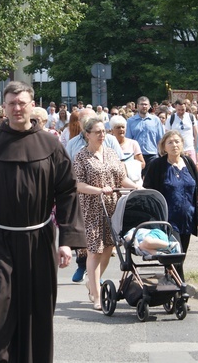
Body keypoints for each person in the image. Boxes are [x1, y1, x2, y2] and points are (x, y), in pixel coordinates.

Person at [0, 81, 86, 363]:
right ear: (4, 108)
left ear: (32, 106)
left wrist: (66, 241)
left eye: (22, 103)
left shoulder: (51, 145)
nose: (17, 108)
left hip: (38, 239)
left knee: (36, 308)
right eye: (11, 104)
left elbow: (66, 192)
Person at [73, 117, 141, 310]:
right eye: (97, 132)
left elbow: (122, 178)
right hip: (91, 208)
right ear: (88, 135)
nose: (102, 135)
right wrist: (99, 189)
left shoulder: (111, 154)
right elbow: (78, 185)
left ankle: (92, 282)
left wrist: (136, 187)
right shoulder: (82, 156)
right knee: (94, 251)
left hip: (112, 206)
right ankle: (95, 295)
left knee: (109, 248)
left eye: (104, 131)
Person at [143, 130, 198, 282]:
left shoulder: (188, 162)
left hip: (188, 217)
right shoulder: (157, 165)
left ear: (182, 144)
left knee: (181, 254)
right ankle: (180, 292)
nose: (174, 145)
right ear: (163, 147)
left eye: (177, 142)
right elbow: (149, 191)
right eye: (170, 142)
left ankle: (171, 287)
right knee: (175, 254)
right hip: (168, 219)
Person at [125, 96, 165, 174]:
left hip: (152, 155)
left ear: (149, 106)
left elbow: (160, 139)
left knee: (152, 180)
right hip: (136, 156)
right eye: (142, 104)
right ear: (137, 106)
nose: (144, 106)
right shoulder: (130, 121)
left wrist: (162, 155)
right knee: (138, 180)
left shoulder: (156, 120)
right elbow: (128, 140)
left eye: (146, 104)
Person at [109, 114, 144, 185]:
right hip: (113, 182)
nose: (121, 129)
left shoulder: (133, 143)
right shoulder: (108, 145)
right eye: (118, 127)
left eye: (123, 127)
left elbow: (142, 163)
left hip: (131, 182)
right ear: (112, 130)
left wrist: (126, 166)